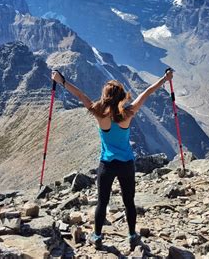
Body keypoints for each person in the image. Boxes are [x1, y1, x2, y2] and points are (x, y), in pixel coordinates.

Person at [51, 69, 173, 249]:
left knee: (102, 202)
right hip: (126, 164)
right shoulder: (129, 112)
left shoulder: (98, 113)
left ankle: (97, 236)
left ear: (106, 96)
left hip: (106, 165)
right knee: (129, 202)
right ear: (122, 95)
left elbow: (80, 95)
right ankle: (132, 236)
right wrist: (165, 78)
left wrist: (62, 81)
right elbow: (146, 93)